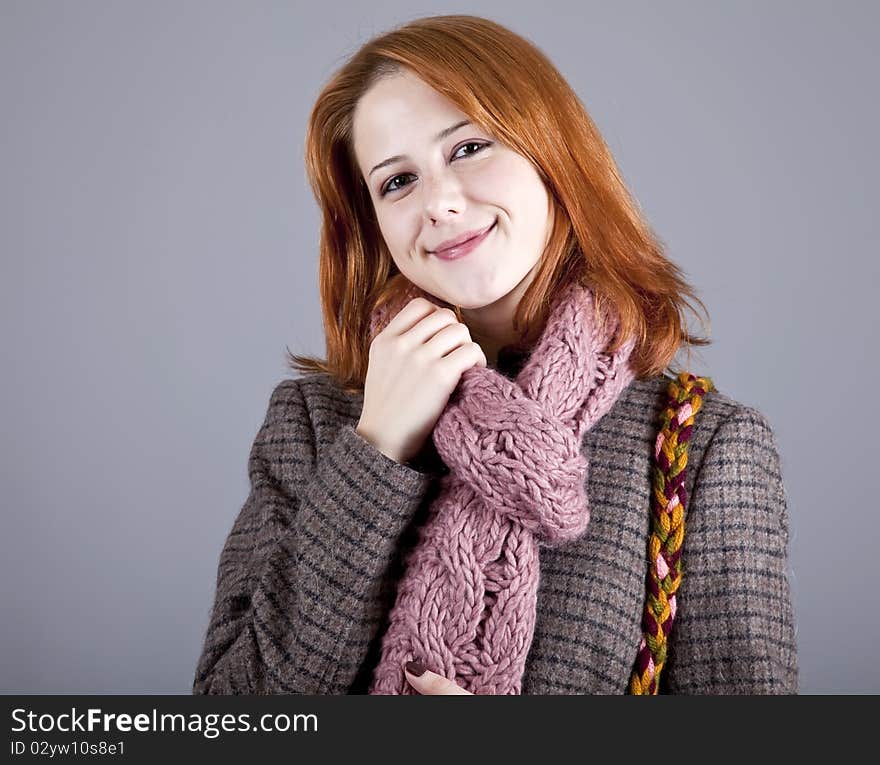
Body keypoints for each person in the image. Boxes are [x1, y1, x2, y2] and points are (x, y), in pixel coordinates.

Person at [192, 14, 798, 695]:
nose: (441, 203)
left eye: (469, 148)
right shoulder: (314, 423)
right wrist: (376, 449)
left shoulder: (700, 447)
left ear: (552, 153)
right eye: (397, 182)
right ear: (374, 224)